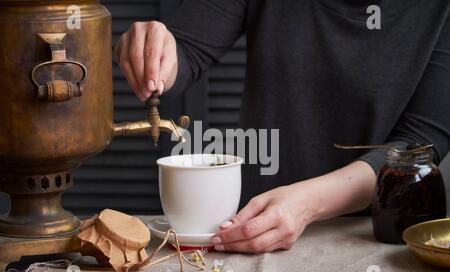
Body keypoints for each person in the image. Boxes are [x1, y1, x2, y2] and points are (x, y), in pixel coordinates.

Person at [115, 1, 450, 253]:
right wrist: (156, 51)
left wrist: (306, 203)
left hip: (372, 238)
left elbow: (421, 143)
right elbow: (186, 51)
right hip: (253, 231)